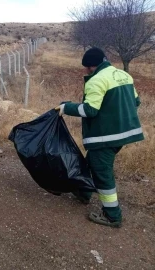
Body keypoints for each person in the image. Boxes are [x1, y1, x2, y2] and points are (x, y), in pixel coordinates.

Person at [55, 47, 144, 228]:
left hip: (105, 137)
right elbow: (136, 102)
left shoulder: (96, 80)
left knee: (103, 174)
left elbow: (90, 110)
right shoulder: (123, 75)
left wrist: (67, 107)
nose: (85, 71)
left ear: (90, 67)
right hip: (125, 133)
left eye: (86, 68)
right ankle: (83, 193)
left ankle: (112, 216)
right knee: (90, 164)